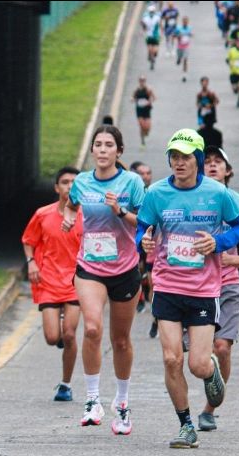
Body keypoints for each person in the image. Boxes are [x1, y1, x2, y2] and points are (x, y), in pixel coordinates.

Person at [136, 128, 239, 448]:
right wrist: (142, 239)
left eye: (186, 157)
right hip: (168, 285)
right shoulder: (157, 193)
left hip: (203, 289)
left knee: (196, 363)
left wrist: (218, 242)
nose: (179, 162)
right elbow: (143, 227)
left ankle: (210, 369)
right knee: (172, 359)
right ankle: (186, 425)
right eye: (174, 156)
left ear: (198, 160)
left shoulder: (217, 193)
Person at [62, 124, 145, 435]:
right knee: (93, 328)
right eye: (98, 144)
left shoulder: (132, 183)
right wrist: (70, 219)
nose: (102, 149)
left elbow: (147, 222)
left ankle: (122, 402)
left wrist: (120, 210)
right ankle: (92, 400)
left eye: (109, 145)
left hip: (124, 269)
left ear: (118, 151)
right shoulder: (82, 182)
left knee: (120, 340)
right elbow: (71, 205)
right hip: (90, 267)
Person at [197, 146, 239, 432]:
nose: (212, 166)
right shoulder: (191, 201)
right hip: (195, 285)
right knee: (196, 356)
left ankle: (210, 408)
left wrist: (230, 259)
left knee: (222, 348)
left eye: (218, 162)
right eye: (207, 162)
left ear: (228, 170)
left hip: (228, 284)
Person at [22, 167, 83, 402]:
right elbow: (29, 240)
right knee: (51, 337)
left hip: (77, 281)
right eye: (65, 182)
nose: (69, 187)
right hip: (48, 280)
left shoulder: (87, 216)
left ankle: (65, 385)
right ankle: (57, 327)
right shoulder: (43, 214)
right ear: (57, 187)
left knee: (69, 334)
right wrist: (31, 263)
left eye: (74, 183)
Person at [130, 162, 157, 334]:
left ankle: (157, 317)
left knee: (154, 282)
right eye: (141, 173)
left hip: (154, 243)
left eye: (148, 173)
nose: (145, 176)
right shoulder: (131, 192)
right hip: (133, 240)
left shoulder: (155, 193)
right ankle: (139, 298)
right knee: (138, 272)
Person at [132, 76, 156, 147]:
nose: (142, 82)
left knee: (147, 127)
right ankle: (142, 141)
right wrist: (133, 100)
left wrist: (149, 102)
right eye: (140, 80)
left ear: (145, 81)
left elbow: (154, 98)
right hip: (139, 109)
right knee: (141, 125)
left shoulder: (148, 90)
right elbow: (132, 97)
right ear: (139, 81)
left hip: (147, 109)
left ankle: (145, 133)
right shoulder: (136, 90)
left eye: (143, 80)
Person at [142, 5, 162, 70]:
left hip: (156, 36)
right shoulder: (145, 18)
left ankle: (153, 56)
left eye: (153, 11)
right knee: (150, 49)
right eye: (150, 11)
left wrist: (161, 32)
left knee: (155, 51)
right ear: (148, 11)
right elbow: (144, 27)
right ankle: (151, 59)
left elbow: (160, 25)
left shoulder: (157, 17)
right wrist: (143, 27)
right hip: (148, 36)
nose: (151, 12)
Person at [173, 16, 193, 82]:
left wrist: (190, 34)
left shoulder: (189, 28)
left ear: (188, 22)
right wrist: (178, 36)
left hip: (186, 47)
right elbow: (174, 35)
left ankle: (184, 75)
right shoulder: (178, 28)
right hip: (179, 47)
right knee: (180, 59)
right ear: (182, 22)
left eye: (186, 21)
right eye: (184, 21)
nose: (185, 22)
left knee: (185, 60)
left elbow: (191, 35)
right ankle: (178, 59)